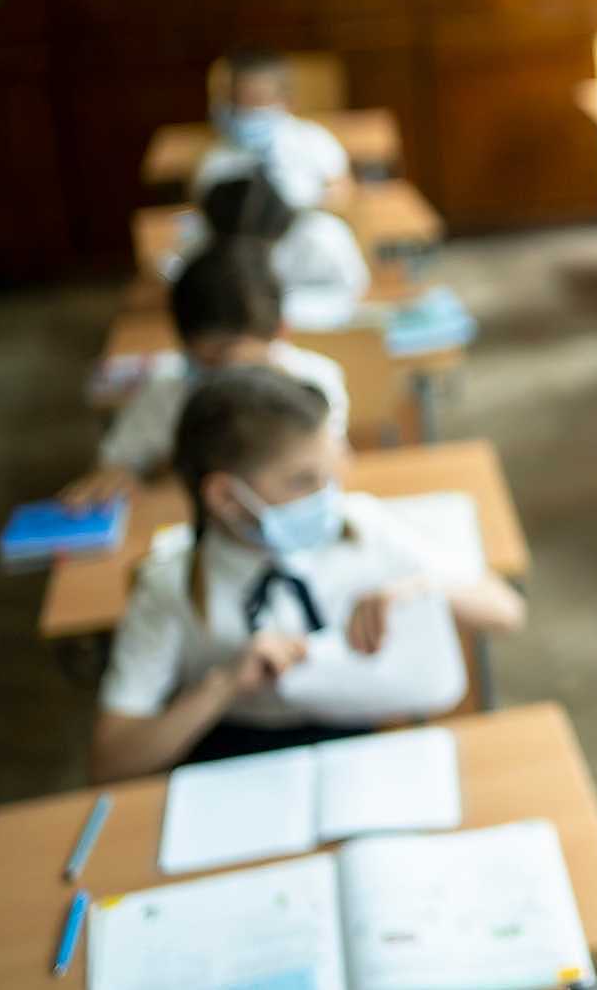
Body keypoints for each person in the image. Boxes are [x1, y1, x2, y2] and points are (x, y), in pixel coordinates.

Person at [89, 366, 525, 778]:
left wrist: (423, 590)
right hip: (233, 763)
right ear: (225, 497)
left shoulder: (360, 527)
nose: (327, 498)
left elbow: (507, 611)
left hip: (356, 751)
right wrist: (221, 687)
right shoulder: (170, 585)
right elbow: (111, 759)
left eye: (330, 474)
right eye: (302, 481)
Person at [62, 241, 349, 509]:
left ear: (280, 332)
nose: (222, 377)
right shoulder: (167, 390)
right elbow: (116, 463)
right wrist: (119, 477)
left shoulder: (314, 381)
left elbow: (333, 465)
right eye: (206, 361)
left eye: (229, 356)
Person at [182, 171, 371, 330]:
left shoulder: (322, 234)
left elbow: (352, 293)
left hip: (319, 328)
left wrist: (280, 307)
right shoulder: (217, 234)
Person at [192, 48, 351, 210]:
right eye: (239, 101)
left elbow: (341, 189)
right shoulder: (217, 159)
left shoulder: (314, 140)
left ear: (286, 101)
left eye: (258, 99)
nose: (248, 110)